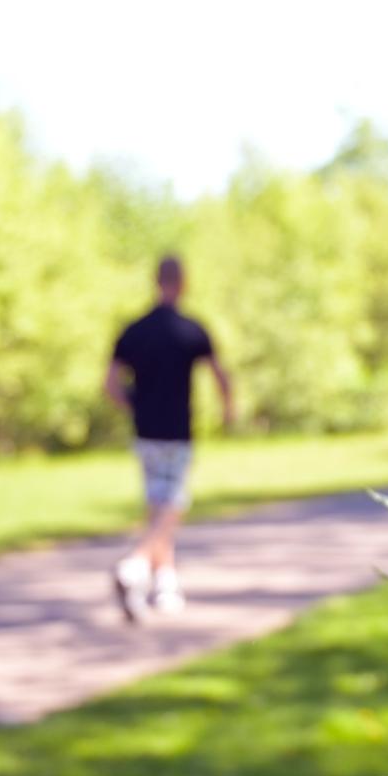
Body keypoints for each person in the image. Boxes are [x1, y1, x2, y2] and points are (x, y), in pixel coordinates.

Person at [104, 254, 232, 622]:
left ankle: (165, 585)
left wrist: (135, 406)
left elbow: (111, 385)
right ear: (183, 282)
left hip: (145, 433)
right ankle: (135, 567)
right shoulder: (191, 329)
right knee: (173, 505)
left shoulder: (134, 331)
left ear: (155, 280)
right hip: (177, 432)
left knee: (157, 505)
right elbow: (220, 376)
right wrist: (228, 410)